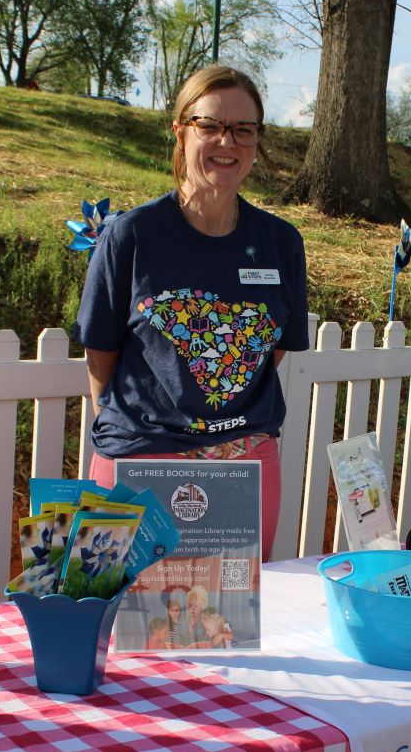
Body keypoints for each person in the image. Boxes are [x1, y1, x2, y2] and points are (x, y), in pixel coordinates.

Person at [73, 65, 310, 559]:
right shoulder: (131, 235)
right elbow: (101, 351)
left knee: (223, 628)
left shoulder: (281, 243)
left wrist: (220, 406)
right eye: (211, 125)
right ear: (181, 131)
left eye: (244, 129)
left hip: (244, 465)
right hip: (140, 459)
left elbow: (277, 344)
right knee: (124, 623)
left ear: (258, 141)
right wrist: (156, 424)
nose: (228, 142)